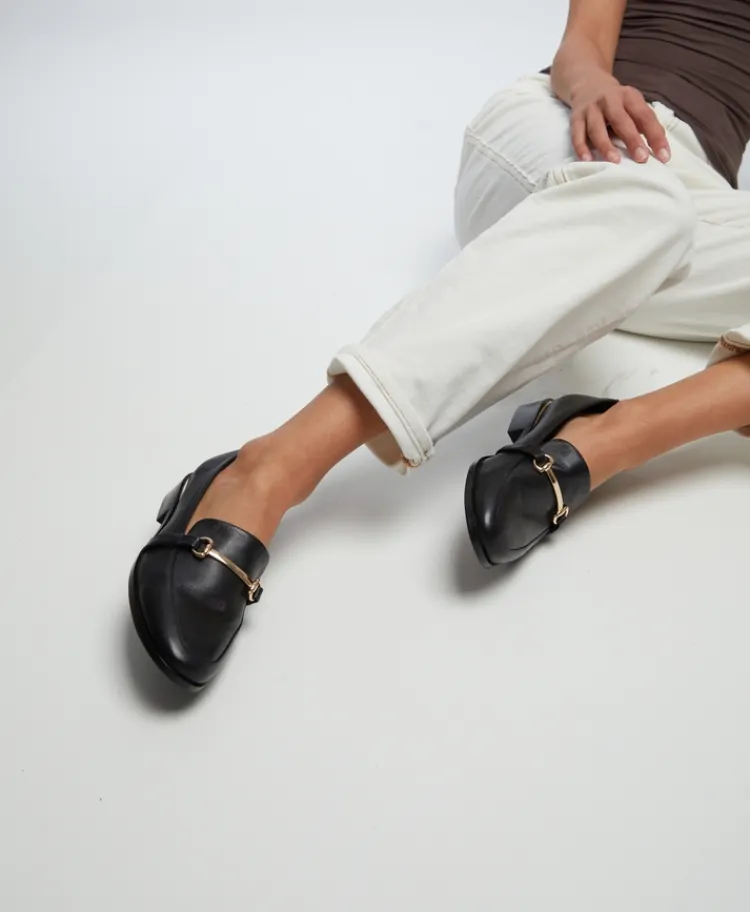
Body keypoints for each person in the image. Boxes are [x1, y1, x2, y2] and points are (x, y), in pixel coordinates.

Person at [129, 0, 750, 690]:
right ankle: (266, 469)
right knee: (652, 208)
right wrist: (593, 87)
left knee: (664, 215)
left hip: (699, 199)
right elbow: (580, 47)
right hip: (574, 131)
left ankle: (607, 436)